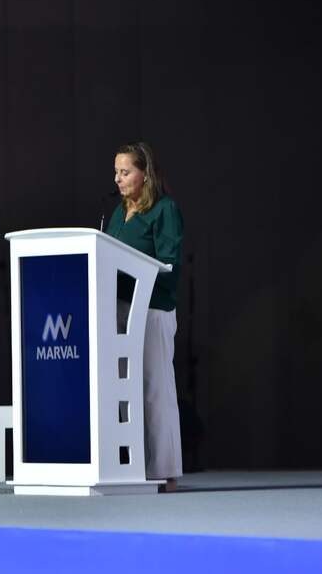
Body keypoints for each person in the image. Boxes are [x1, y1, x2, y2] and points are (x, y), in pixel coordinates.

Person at [106, 141, 184, 492]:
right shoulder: (119, 212)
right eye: (117, 173)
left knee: (155, 390)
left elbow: (169, 263)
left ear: (145, 173)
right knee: (122, 390)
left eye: (126, 172)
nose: (119, 179)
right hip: (117, 309)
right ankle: (130, 467)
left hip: (152, 308)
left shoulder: (164, 210)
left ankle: (165, 472)